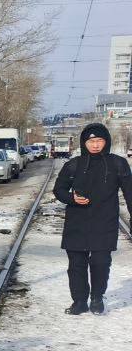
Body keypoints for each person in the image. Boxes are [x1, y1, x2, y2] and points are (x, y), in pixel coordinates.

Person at [53, 122, 132, 315]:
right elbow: (59, 190)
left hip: (105, 222)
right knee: (76, 265)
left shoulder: (118, 163)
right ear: (84, 143)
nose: (96, 145)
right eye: (91, 141)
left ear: (106, 142)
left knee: (100, 262)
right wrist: (71, 198)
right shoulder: (73, 165)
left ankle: (97, 297)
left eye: (100, 141)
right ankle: (79, 301)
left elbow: (130, 193)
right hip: (77, 222)